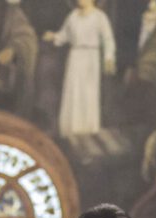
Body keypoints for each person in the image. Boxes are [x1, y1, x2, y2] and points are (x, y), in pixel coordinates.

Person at [44, 0, 116, 137]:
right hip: (75, 57)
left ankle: (87, 130)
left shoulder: (99, 17)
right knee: (73, 91)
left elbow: (108, 39)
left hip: (91, 58)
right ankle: (71, 129)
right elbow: (64, 35)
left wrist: (108, 57)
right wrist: (53, 36)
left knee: (88, 92)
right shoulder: (73, 16)